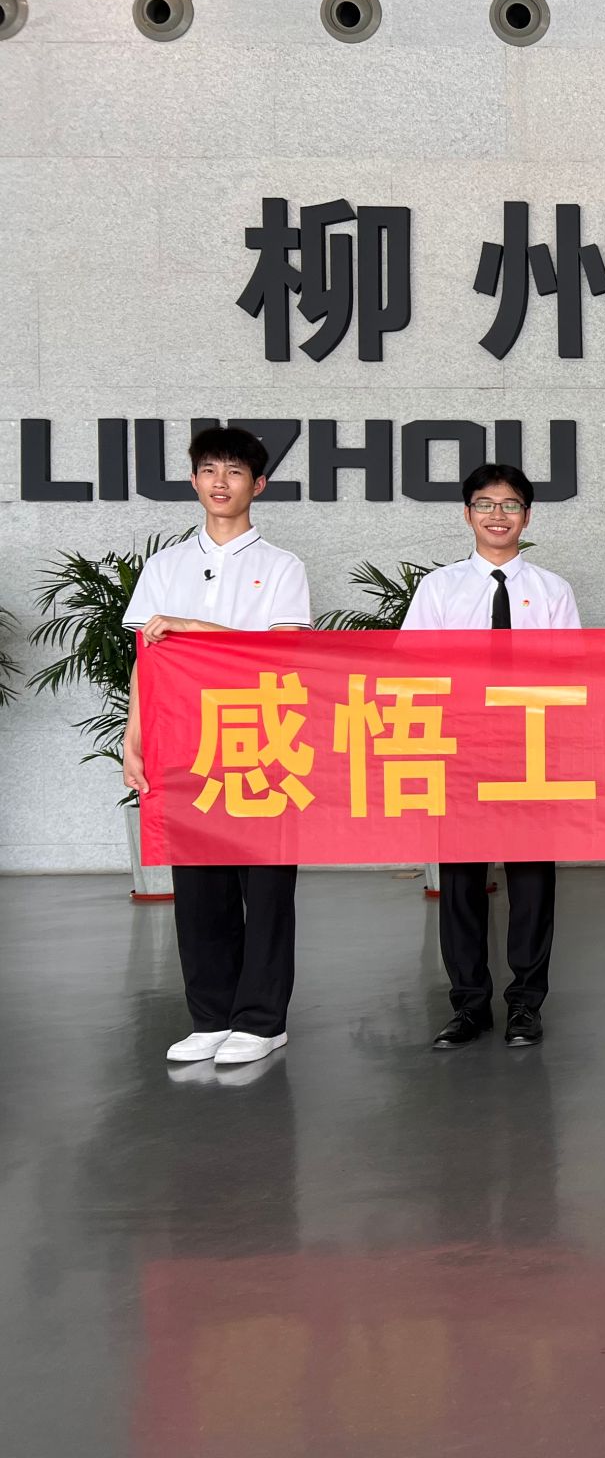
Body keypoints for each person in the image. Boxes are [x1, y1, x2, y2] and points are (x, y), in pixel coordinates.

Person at [122, 426, 312, 1068]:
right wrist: (134, 741)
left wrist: (195, 627)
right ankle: (210, 1016)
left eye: (234, 471)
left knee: (266, 885)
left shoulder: (281, 566)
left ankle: (262, 1019)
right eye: (209, 470)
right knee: (199, 882)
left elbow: (283, 654)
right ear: (194, 481)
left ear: (258, 485)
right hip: (186, 740)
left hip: (264, 737)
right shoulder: (165, 566)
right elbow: (147, 662)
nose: (220, 482)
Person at [401, 463, 580, 1050]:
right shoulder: (439, 589)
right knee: (460, 882)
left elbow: (572, 676)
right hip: (460, 750)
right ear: (467, 514)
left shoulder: (552, 591)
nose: (497, 515)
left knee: (532, 882)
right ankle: (469, 1005)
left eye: (509, 505)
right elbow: (411, 671)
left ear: (527, 517)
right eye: (485, 504)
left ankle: (526, 1003)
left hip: (531, 750)